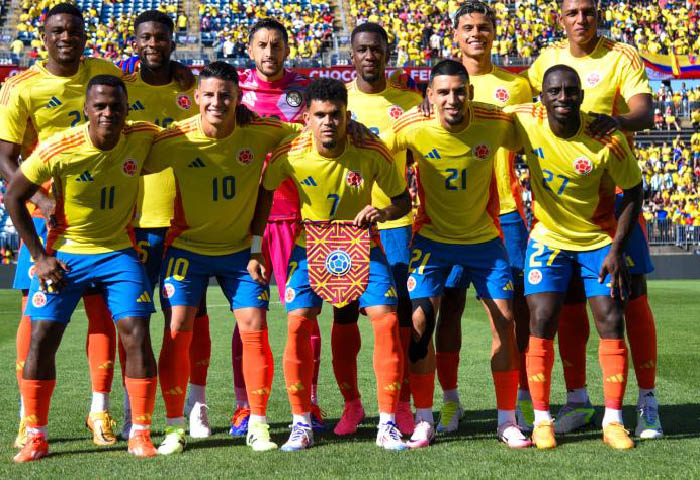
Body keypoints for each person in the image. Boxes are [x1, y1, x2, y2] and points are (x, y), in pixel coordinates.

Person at [250, 77, 412, 451]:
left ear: (347, 116)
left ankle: (387, 423)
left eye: (335, 115)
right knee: (297, 324)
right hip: (310, 246)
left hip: (361, 244)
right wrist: (255, 248)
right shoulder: (290, 152)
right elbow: (264, 194)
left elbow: (403, 200)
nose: (328, 122)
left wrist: (383, 212)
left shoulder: (371, 150)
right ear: (306, 118)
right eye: (320, 115)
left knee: (387, 319)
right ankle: (301, 424)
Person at [523, 0, 661, 439]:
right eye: (572, 12)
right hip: (563, 207)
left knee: (629, 298)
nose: (580, 19)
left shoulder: (621, 55)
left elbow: (645, 113)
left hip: (615, 196)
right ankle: (578, 400)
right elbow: (522, 109)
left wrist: (612, 122)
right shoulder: (547, 59)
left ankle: (647, 401)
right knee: (564, 303)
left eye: (588, 11)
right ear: (560, 18)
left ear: (597, 14)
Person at [5, 75, 160, 463]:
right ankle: (36, 435)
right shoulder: (59, 147)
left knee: (136, 331)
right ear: (87, 110)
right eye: (100, 106)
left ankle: (140, 433)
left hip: (118, 252)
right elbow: (13, 196)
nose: (108, 113)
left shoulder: (143, 136)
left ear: (127, 110)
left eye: (116, 106)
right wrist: (40, 257)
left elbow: (191, 134)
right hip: (67, 254)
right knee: (42, 335)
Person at [146, 61, 298, 454]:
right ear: (196, 97)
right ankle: (175, 427)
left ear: (238, 98)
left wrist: (355, 128)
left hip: (240, 254)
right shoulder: (176, 137)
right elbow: (128, 157)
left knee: (255, 326)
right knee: (177, 328)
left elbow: (309, 131)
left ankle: (258, 425)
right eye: (210, 95)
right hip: (187, 250)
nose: (217, 102)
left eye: (226, 95)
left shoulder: (262, 131)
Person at [383, 60, 530, 449]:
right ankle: (424, 418)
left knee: (506, 322)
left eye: (459, 91)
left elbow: (534, 130)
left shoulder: (494, 121)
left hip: (484, 240)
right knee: (419, 324)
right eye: (444, 92)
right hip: (432, 240)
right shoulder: (413, 125)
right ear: (430, 96)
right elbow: (372, 148)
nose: (452, 99)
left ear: (471, 93)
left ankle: (507, 420)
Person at [0, 2, 125, 449]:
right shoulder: (22, 87)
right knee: (35, 315)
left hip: (101, 215)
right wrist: (39, 197)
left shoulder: (106, 71)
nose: (66, 37)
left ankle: (99, 409)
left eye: (74, 30)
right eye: (58, 30)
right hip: (47, 219)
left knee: (102, 311)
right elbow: (4, 155)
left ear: (85, 35)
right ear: (44, 36)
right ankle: (27, 416)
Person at [506, 65, 643, 450]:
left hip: (597, 239)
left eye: (570, 91)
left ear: (581, 96)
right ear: (543, 97)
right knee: (541, 318)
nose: (563, 97)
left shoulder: (606, 137)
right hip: (548, 238)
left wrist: (617, 249)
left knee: (611, 318)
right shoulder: (525, 119)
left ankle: (613, 421)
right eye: (554, 91)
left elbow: (634, 190)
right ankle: (542, 420)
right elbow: (475, 117)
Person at [422, 1, 535, 433]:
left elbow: (531, 142)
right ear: (455, 35)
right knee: (447, 307)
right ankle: (450, 401)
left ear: (494, 32)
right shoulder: (439, 85)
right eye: (467, 27)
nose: (476, 33)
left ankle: (521, 397)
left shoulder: (517, 86)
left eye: (483, 26)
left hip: (505, 212)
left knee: (512, 309)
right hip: (450, 217)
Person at [231, 18, 324, 435]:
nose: (269, 52)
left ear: (287, 49)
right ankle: (245, 407)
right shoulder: (233, 89)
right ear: (250, 50)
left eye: (276, 45)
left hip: (296, 217)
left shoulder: (306, 89)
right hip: (246, 218)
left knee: (302, 316)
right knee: (247, 317)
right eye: (262, 45)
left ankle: (311, 402)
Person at [119, 9, 209, 441]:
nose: (153, 44)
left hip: (189, 222)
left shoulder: (194, 88)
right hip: (138, 221)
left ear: (173, 41)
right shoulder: (122, 87)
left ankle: (196, 404)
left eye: (161, 37)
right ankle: (130, 409)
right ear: (135, 43)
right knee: (134, 318)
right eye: (146, 38)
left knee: (192, 317)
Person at [334, 22, 423, 437]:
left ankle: (401, 404)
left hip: (395, 222)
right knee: (344, 313)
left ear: (388, 53)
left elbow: (423, 154)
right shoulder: (338, 102)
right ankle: (352, 405)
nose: (370, 56)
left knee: (400, 315)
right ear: (351, 54)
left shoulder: (411, 102)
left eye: (377, 49)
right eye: (362, 49)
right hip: (344, 227)